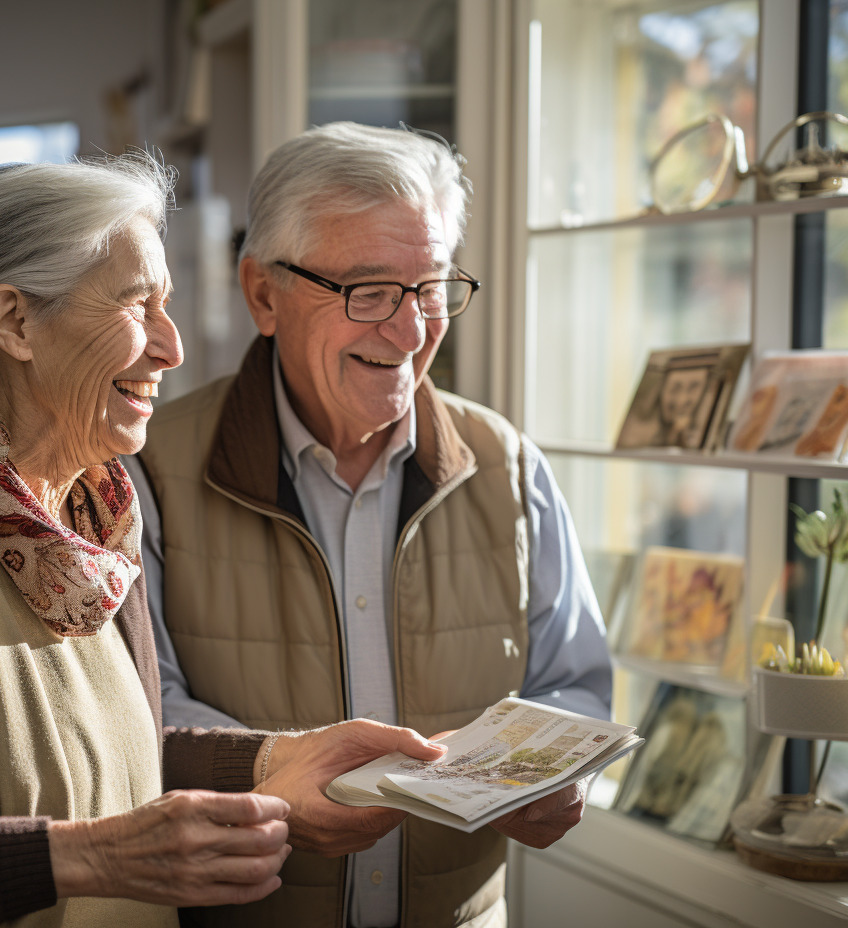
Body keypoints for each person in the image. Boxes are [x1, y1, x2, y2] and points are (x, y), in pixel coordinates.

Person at [0, 153, 448, 928]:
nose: (173, 346)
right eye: (138, 305)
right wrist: (84, 860)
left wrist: (276, 762)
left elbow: (109, 757)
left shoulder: (100, 520)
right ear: (16, 322)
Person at [126, 122, 613, 927]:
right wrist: (273, 774)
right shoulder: (148, 474)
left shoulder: (510, 466)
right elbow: (141, 712)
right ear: (263, 295)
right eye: (369, 290)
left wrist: (559, 771)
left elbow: (576, 682)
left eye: (429, 287)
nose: (411, 329)